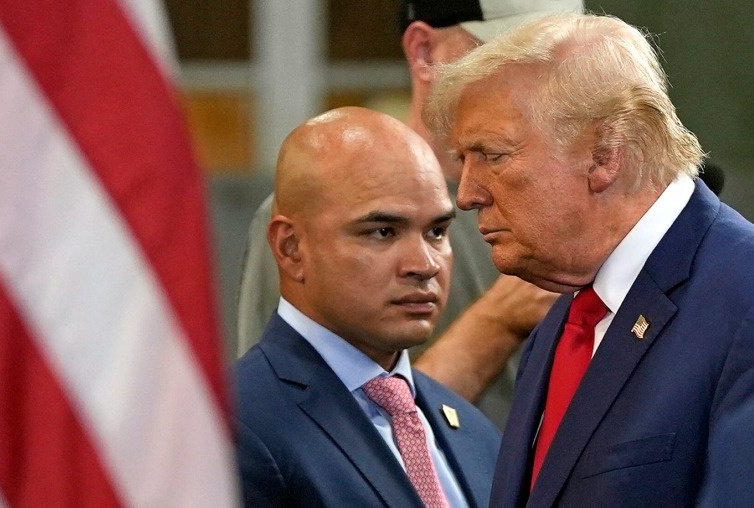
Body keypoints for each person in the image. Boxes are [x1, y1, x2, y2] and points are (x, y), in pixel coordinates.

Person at [426, 12, 754, 507]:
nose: (467, 195)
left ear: (605, 153)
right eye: (464, 161)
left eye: (492, 156)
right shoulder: (564, 323)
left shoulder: (745, 303)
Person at [237, 0, 583, 429]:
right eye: (511, 55)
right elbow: (288, 427)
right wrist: (498, 322)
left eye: (557, 59)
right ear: (424, 53)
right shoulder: (319, 211)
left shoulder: (577, 203)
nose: (543, 82)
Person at [232, 106, 501, 507]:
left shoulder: (476, 433)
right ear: (291, 248)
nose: (425, 264)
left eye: (437, 231)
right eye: (382, 232)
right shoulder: (230, 426)